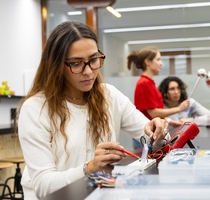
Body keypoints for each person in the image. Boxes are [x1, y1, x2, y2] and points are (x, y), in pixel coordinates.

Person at [17, 21, 168, 200]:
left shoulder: (109, 95)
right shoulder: (36, 109)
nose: (88, 71)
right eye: (76, 63)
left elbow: (153, 139)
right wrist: (90, 167)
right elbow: (43, 186)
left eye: (94, 60)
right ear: (56, 65)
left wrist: (158, 131)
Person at [127, 46, 190, 126]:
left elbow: (150, 114)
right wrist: (179, 108)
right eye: (158, 59)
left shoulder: (148, 82)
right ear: (148, 62)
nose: (161, 63)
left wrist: (170, 122)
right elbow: (153, 114)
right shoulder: (144, 83)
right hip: (147, 133)